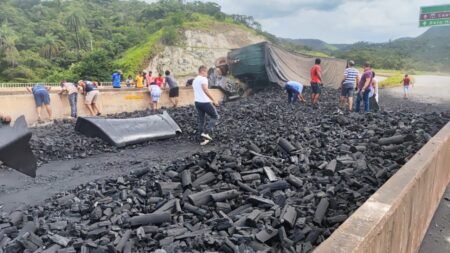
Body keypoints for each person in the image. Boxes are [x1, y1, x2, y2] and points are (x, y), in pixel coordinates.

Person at [193, 65, 220, 146]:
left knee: (201, 120)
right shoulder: (203, 79)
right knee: (215, 116)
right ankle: (206, 133)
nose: (207, 74)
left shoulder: (195, 80)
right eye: (206, 72)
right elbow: (205, 90)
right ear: (202, 71)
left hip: (197, 102)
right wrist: (214, 100)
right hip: (205, 102)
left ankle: (202, 138)